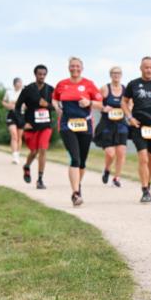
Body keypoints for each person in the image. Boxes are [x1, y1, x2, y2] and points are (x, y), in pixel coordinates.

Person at [52, 57, 102, 206]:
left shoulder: (89, 84)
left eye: (77, 66)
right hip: (67, 125)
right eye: (72, 66)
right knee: (75, 158)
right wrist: (56, 107)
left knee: (82, 162)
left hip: (85, 125)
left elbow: (100, 104)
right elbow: (54, 98)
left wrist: (90, 102)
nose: (75, 68)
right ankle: (75, 193)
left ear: (82, 68)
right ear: (68, 67)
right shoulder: (62, 84)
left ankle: (77, 186)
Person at [125, 57, 151, 203]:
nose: (149, 70)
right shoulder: (133, 84)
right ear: (141, 68)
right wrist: (130, 118)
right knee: (143, 158)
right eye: (146, 67)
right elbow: (124, 101)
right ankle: (145, 189)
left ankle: (148, 183)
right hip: (138, 126)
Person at [16, 65, 56, 190]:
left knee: (42, 150)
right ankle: (27, 166)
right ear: (35, 74)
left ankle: (40, 179)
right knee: (33, 152)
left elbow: (56, 107)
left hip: (45, 125)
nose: (42, 76)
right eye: (40, 74)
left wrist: (47, 105)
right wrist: (23, 123)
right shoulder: (28, 89)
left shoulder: (50, 89)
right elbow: (17, 107)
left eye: (44, 74)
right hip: (31, 126)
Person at [97, 67, 129, 188]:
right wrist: (103, 108)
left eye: (118, 73)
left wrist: (127, 110)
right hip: (107, 124)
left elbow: (129, 104)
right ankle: (107, 169)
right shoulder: (105, 89)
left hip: (121, 125)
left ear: (121, 75)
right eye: (114, 73)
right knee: (110, 153)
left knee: (121, 152)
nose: (116, 75)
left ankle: (117, 178)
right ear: (110, 75)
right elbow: (97, 102)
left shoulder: (125, 89)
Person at [2, 77, 24, 164]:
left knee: (19, 137)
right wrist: (8, 105)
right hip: (11, 114)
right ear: (14, 84)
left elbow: (28, 103)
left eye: (21, 83)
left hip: (21, 115)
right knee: (14, 135)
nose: (20, 85)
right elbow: (3, 101)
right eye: (19, 83)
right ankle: (14, 156)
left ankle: (18, 153)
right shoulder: (9, 92)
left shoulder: (24, 92)